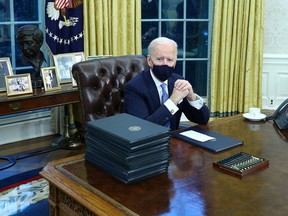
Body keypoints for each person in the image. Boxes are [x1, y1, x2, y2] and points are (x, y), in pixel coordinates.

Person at [124, 37, 210, 130]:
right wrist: (173, 101)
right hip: (150, 142)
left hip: (174, 139)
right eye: (160, 59)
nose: (165, 64)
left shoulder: (178, 81)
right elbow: (143, 129)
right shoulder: (134, 88)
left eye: (170, 60)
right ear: (149, 61)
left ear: (175, 62)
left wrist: (192, 97)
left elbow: (203, 119)